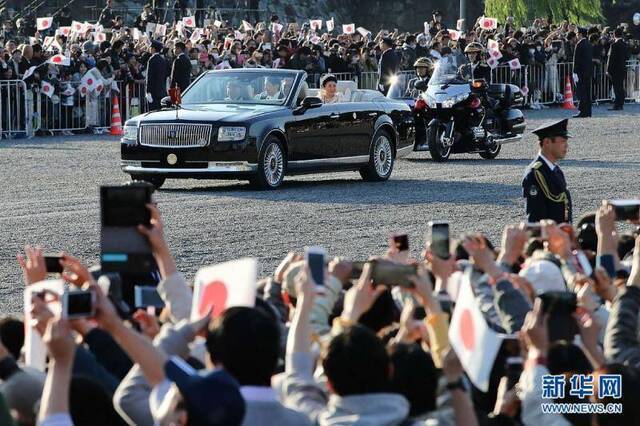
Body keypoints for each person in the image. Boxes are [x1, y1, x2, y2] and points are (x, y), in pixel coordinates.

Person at [522, 118, 573, 223]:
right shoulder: (535, 174)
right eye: (563, 141)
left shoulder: (556, 170)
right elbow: (535, 219)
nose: (566, 145)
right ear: (547, 142)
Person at [606, 27, 629, 111]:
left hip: (615, 69)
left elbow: (610, 58)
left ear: (614, 35)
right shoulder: (625, 45)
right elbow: (627, 56)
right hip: (622, 68)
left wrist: (608, 70)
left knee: (616, 87)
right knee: (620, 86)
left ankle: (617, 105)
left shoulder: (614, 45)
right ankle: (621, 103)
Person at [573, 27, 593, 118]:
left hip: (580, 72)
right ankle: (588, 111)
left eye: (577, 33)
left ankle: (582, 111)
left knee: (581, 92)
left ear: (580, 34)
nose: (577, 35)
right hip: (588, 72)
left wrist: (574, 72)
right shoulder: (588, 44)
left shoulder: (579, 44)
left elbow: (576, 60)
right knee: (587, 92)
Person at [145, 40, 167, 111]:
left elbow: (149, 76)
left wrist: (148, 91)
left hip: (153, 91)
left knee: (153, 111)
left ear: (153, 49)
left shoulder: (152, 59)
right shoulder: (162, 60)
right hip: (161, 90)